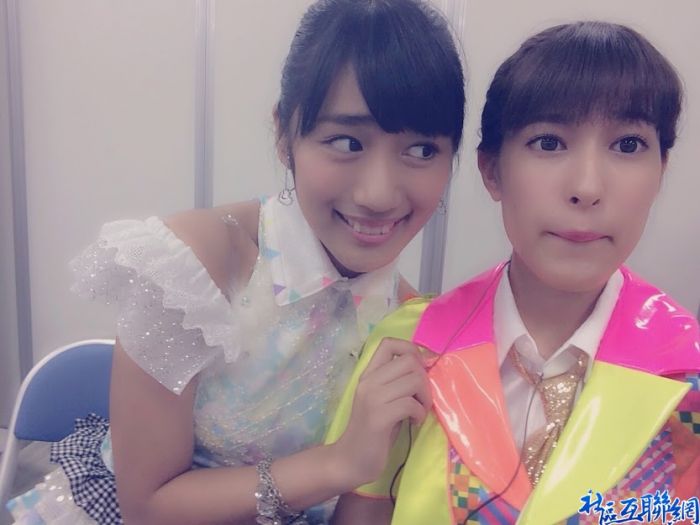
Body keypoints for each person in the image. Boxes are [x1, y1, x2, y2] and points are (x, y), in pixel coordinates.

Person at [6, 1, 463, 524]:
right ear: (284, 136)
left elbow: (370, 499)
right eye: (346, 141)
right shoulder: (191, 269)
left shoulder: (407, 318)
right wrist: (336, 464)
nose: (378, 194)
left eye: (422, 151)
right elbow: (145, 507)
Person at [327, 21, 700, 525]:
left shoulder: (687, 376)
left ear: (662, 170)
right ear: (492, 170)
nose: (587, 187)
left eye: (628, 145)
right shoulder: (410, 349)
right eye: (549, 142)